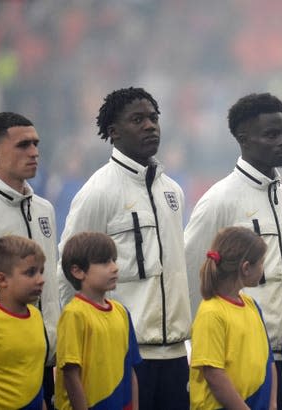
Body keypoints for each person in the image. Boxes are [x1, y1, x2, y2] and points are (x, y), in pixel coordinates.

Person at [58, 87, 191, 409]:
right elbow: (66, 272)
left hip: (175, 353)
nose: (150, 126)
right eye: (138, 120)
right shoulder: (97, 192)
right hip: (125, 355)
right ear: (113, 133)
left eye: (153, 118)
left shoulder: (172, 190)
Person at [184, 92, 282, 409]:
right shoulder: (218, 200)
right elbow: (192, 272)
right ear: (243, 138)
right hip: (241, 356)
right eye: (271, 134)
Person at [0, 112, 60, 408]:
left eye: (36, 144)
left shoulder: (45, 210)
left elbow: (53, 284)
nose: (35, 152)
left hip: (46, 362)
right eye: (24, 145)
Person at [190, 226, 277, 409]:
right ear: (246, 268)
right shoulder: (211, 313)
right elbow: (214, 375)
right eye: (261, 262)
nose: (263, 267)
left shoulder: (252, 305)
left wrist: (272, 403)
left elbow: (268, 361)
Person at [55, 231, 141, 409]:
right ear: (77, 271)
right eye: (104, 262)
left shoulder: (122, 312)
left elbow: (130, 369)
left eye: (114, 260)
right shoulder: (74, 314)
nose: (114, 267)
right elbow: (71, 374)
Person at [0, 235, 47, 409]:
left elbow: (32, 373)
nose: (41, 279)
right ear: (2, 279)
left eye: (41, 271)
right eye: (31, 272)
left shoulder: (36, 315)